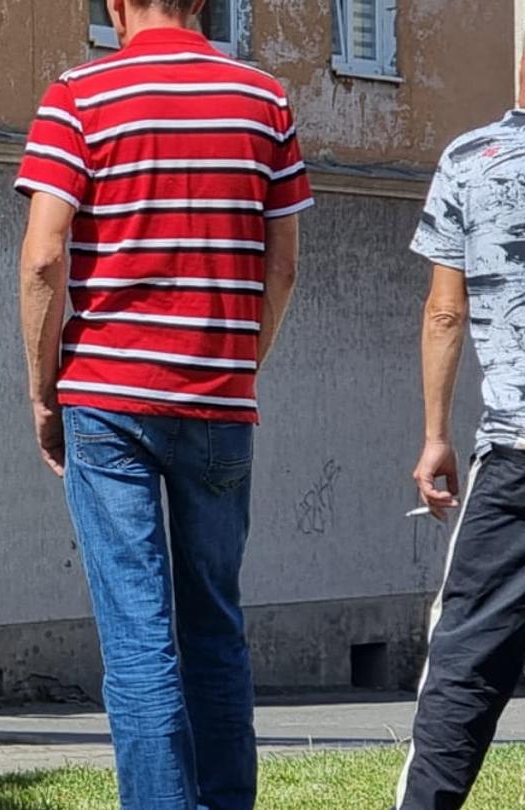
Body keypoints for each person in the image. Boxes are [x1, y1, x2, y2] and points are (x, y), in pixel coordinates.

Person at [14, 1, 309, 807]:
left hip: (107, 400)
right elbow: (281, 267)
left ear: (114, 4)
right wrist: (241, 362)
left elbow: (45, 259)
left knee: (139, 635)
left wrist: (45, 389)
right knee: (215, 624)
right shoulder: (263, 98)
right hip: (220, 397)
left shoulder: (78, 95)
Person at [396, 53, 525, 810]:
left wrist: (436, 433)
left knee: (466, 657)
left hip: (513, 452)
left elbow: (444, 312)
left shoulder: (470, 160)